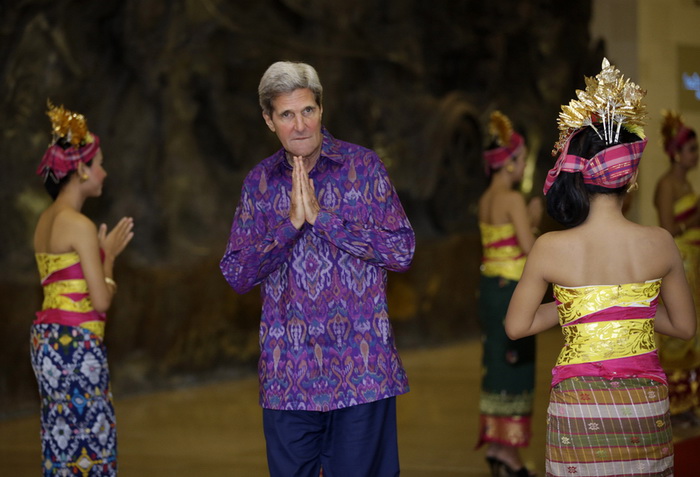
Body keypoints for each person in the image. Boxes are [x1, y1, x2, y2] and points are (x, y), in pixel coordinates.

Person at [219, 61, 415, 477]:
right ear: (269, 121)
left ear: (322, 109)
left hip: (362, 374)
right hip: (287, 377)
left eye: (308, 110)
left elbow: (402, 251)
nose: (300, 125)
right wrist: (290, 225)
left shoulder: (363, 168)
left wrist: (324, 219)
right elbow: (236, 273)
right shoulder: (259, 183)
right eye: (286, 115)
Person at [505, 58, 696, 477]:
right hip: (644, 408)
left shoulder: (550, 247)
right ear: (630, 178)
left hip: (580, 410)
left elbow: (516, 327)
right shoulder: (660, 243)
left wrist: (581, 307)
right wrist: (624, 307)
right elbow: (684, 327)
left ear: (582, 176)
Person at [32, 102, 134, 476]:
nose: (104, 172)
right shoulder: (79, 225)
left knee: (60, 441)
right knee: (92, 442)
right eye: (100, 163)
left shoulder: (45, 220)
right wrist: (108, 258)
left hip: (47, 343)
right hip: (75, 345)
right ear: (80, 169)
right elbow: (102, 300)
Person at [476, 111, 541, 477]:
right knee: (515, 367)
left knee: (496, 367)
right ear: (511, 162)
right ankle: (509, 453)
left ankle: (498, 448)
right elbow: (529, 247)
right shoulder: (513, 200)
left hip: (489, 289)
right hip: (511, 292)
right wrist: (533, 214)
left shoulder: (486, 198)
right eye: (523, 159)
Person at [654, 110, 700, 427]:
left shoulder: (687, 183)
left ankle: (691, 398)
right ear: (676, 153)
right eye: (692, 149)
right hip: (680, 261)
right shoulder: (667, 184)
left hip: (695, 261)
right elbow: (668, 228)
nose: (696, 155)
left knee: (695, 331)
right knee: (678, 332)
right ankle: (675, 403)